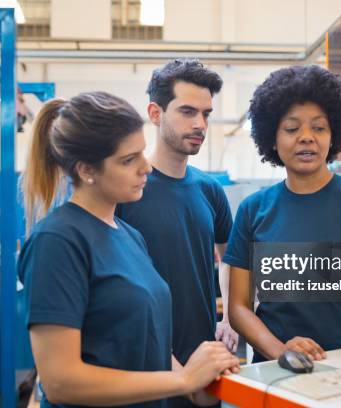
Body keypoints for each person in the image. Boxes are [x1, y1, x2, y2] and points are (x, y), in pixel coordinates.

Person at [18, 91, 239, 408]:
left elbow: (152, 343)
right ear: (86, 170)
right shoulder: (58, 241)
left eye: (141, 153)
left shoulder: (130, 236)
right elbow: (60, 382)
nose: (145, 167)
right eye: (128, 160)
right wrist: (183, 380)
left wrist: (198, 384)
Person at [224, 65, 341, 363]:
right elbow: (238, 307)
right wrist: (281, 351)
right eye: (292, 129)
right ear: (272, 138)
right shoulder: (253, 210)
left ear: (333, 136)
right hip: (277, 369)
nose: (306, 137)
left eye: (319, 128)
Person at [116, 59, 238, 408]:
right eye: (187, 111)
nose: (200, 124)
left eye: (206, 114)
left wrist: (229, 315)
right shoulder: (127, 190)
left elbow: (230, 256)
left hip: (203, 357)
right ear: (155, 113)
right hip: (143, 364)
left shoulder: (209, 190)